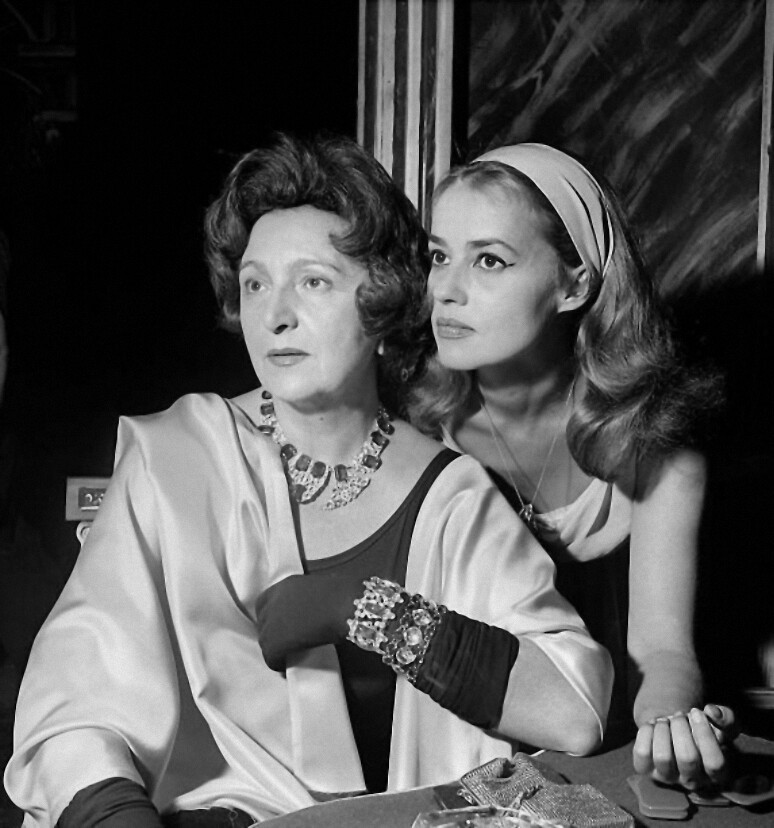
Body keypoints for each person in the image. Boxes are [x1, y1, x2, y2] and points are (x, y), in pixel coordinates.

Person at [4, 135, 612, 828]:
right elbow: (74, 704)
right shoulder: (176, 455)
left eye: (313, 281)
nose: (275, 315)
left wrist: (369, 610)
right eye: (255, 284)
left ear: (384, 299)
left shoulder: (450, 496)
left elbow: (574, 709)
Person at [410, 143, 735, 791]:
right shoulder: (414, 428)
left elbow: (661, 649)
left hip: (601, 765)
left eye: (489, 260)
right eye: (439, 256)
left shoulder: (657, 441)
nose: (445, 289)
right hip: (447, 769)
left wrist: (670, 724)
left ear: (575, 284)